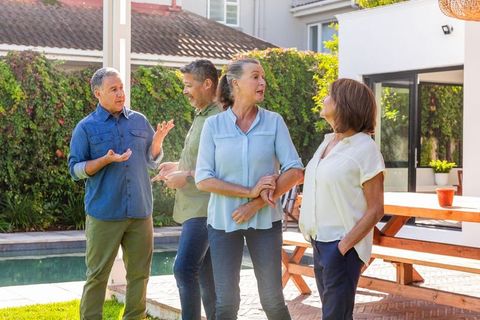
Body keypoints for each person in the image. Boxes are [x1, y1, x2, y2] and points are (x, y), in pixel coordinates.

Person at [195, 58, 304, 320]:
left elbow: (295, 171)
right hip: (223, 223)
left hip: (265, 221)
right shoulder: (213, 125)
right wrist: (250, 191)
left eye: (263, 77)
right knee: (227, 303)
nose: (262, 82)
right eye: (255, 76)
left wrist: (254, 204)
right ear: (235, 83)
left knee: (272, 300)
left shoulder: (274, 122)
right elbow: (203, 179)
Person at [68, 67, 174, 320]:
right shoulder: (86, 128)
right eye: (113, 89)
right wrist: (104, 160)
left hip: (140, 211)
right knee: (97, 275)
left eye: (122, 88)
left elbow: (151, 160)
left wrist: (157, 141)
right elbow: (75, 169)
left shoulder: (139, 120)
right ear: (98, 93)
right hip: (104, 213)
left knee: (140, 274)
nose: (120, 94)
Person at [299, 78, 385, 320]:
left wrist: (343, 247)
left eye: (330, 95)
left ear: (344, 104)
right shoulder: (327, 143)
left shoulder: (364, 148)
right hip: (318, 242)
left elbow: (376, 209)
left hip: (341, 247)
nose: (324, 99)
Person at [151, 59, 219, 320]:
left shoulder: (217, 119)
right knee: (205, 274)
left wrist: (186, 177)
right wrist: (177, 165)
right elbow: (204, 160)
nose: (184, 90)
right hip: (195, 206)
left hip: (204, 207)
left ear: (207, 84)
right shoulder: (202, 115)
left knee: (184, 269)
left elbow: (222, 166)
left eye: (189, 85)